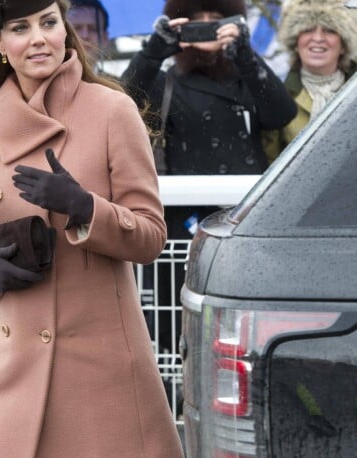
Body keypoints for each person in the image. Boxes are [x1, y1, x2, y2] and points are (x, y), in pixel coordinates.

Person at [0, 1, 184, 458]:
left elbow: (151, 234)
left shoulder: (113, 110)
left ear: (65, 30)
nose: (39, 39)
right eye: (20, 28)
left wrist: (85, 207)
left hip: (102, 358)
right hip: (14, 360)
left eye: (49, 23)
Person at [121, 0, 296, 392]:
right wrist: (155, 48)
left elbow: (280, 113)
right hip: (184, 225)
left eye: (214, 21)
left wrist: (245, 54)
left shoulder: (243, 74)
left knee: (244, 310)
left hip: (244, 217)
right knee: (182, 313)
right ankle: (187, 388)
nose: (204, 29)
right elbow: (121, 99)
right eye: (194, 22)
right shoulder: (167, 78)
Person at [263, 0, 357, 162]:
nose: (318, 38)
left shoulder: (353, 92)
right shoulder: (277, 97)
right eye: (308, 29)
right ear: (295, 43)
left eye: (329, 30)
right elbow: (269, 167)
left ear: (343, 45)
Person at [67, 0, 109, 68]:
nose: (85, 35)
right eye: (76, 28)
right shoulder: (46, 78)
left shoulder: (118, 79)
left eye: (93, 29)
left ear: (105, 38)